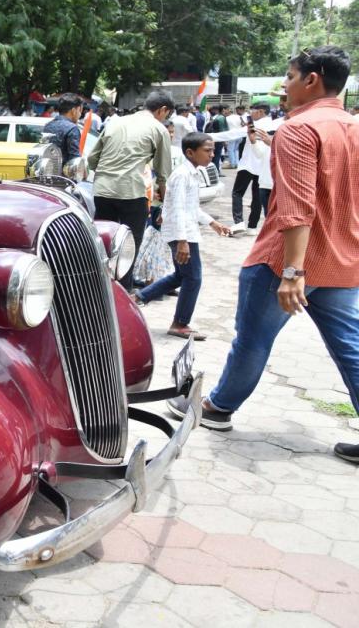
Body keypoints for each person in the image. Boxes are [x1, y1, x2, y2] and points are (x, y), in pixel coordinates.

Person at [167, 46, 359, 444]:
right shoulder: (352, 128)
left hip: (286, 264)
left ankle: (218, 408)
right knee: (350, 347)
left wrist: (293, 271)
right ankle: (220, 404)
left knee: (252, 340)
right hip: (343, 261)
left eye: (289, 77)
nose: (285, 87)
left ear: (312, 79)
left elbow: (297, 208)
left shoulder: (299, 128)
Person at [133, 132, 231, 339]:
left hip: (185, 232)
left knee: (181, 276)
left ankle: (139, 297)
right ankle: (180, 323)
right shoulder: (182, 175)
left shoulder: (192, 173)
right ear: (190, 152)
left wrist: (213, 223)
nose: (212, 155)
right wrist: (182, 241)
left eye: (213, 150)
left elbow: (190, 207)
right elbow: (176, 208)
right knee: (193, 279)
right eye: (207, 151)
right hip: (182, 234)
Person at [86, 90, 175, 290]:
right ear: (162, 110)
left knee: (103, 241)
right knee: (129, 246)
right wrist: (165, 202)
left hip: (102, 191)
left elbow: (92, 160)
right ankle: (123, 292)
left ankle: (98, 287)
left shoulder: (115, 122)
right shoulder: (158, 129)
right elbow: (163, 174)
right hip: (132, 193)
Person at [229, 103, 277, 235]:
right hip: (261, 166)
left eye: (253, 111)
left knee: (237, 193)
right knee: (257, 197)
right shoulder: (274, 124)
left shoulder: (253, 126)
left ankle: (238, 222)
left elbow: (231, 134)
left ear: (261, 112)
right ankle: (252, 226)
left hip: (248, 164)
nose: (251, 114)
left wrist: (209, 137)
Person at [43, 93, 82, 164]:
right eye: (79, 110)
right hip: (62, 174)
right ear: (73, 111)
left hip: (47, 172)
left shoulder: (48, 125)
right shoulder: (72, 129)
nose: (80, 114)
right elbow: (74, 159)